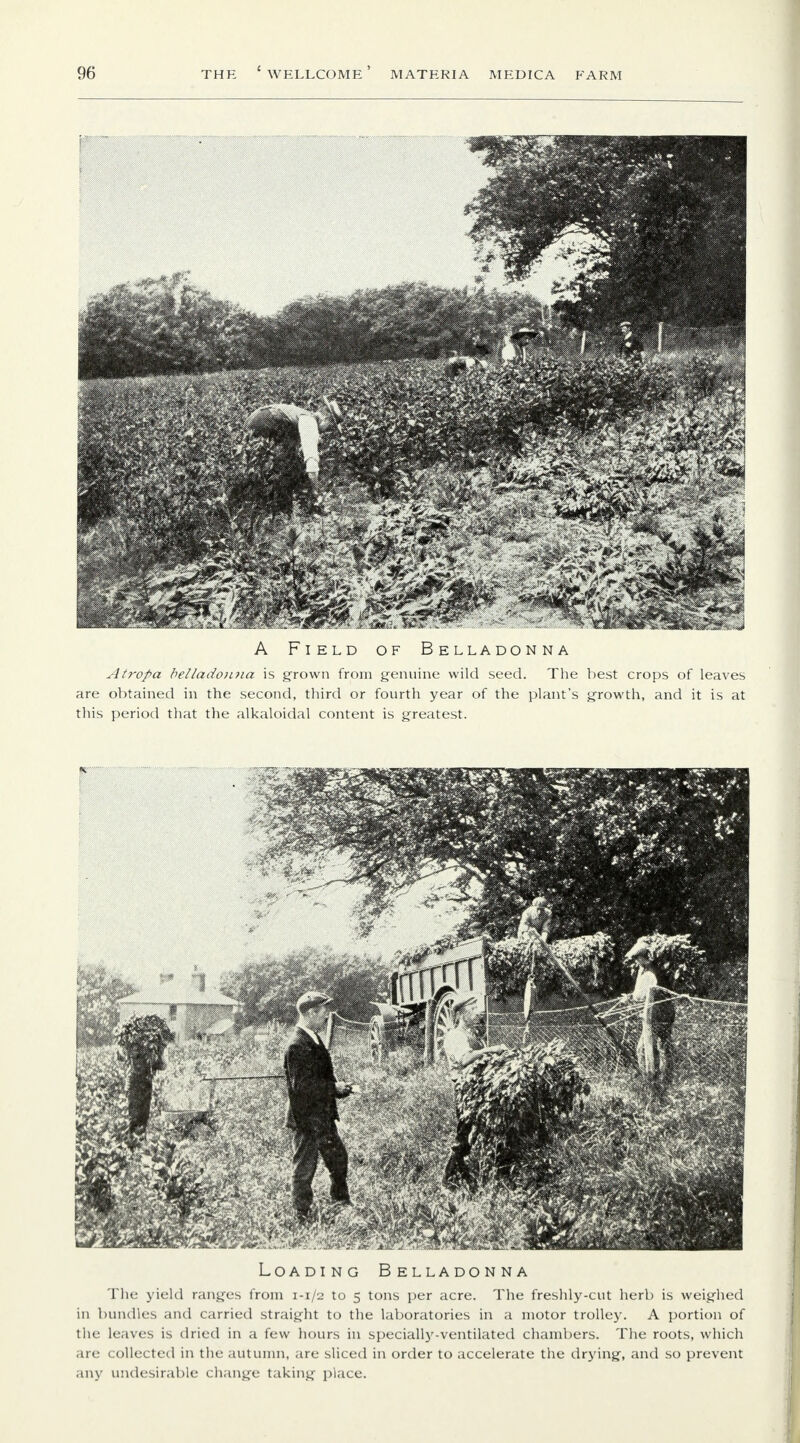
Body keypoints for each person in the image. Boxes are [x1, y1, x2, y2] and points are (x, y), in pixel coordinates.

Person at [283, 991, 353, 1220]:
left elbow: (318, 1078)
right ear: (311, 1013)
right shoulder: (297, 1044)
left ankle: (341, 1204)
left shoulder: (312, 1038)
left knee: (338, 1158)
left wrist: (338, 1088)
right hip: (306, 1119)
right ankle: (301, 1214)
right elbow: (302, 1087)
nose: (327, 1017)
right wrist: (333, 1088)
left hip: (322, 1116)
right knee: (304, 1169)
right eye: (324, 1012)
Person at [441, 994, 507, 1188]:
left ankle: (466, 1176)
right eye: (472, 1009)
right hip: (464, 1090)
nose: (477, 1012)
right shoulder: (455, 1036)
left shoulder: (471, 1035)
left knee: (473, 1133)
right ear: (461, 1014)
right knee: (464, 1134)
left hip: (476, 1089)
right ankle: (449, 1180)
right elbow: (465, 1059)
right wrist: (491, 1050)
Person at [241, 395, 343, 515]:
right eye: (330, 427)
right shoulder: (309, 422)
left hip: (258, 418)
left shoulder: (305, 416)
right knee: (279, 469)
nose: (327, 431)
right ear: (326, 418)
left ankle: (275, 507)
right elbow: (311, 463)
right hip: (262, 421)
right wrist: (316, 491)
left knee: (285, 464)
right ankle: (279, 511)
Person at [624, 938, 676, 1083]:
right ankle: (662, 1079)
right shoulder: (654, 970)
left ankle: (652, 1080)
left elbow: (639, 996)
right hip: (663, 1013)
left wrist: (632, 998)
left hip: (657, 1015)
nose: (636, 962)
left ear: (644, 958)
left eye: (638, 958)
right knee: (662, 1047)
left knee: (646, 1048)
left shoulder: (649, 974)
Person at [517, 896, 553, 1042]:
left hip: (538, 937)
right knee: (527, 946)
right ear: (533, 908)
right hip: (525, 935)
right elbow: (524, 928)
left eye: (541, 909)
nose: (539, 912)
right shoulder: (527, 912)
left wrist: (542, 942)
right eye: (537, 909)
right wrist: (530, 940)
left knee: (542, 949)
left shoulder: (548, 914)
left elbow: (545, 929)